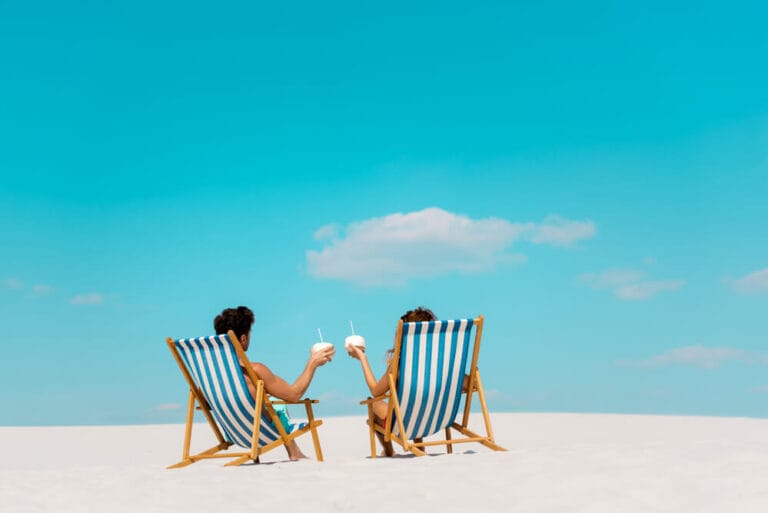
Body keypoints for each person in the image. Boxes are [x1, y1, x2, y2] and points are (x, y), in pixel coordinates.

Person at [213, 306, 335, 461]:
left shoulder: (213, 375)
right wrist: (312, 363)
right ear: (243, 338)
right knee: (278, 405)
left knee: (267, 400)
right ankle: (294, 452)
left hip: (234, 432)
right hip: (260, 430)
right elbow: (294, 395)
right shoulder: (255, 370)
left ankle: (293, 452)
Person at [346, 306, 437, 457]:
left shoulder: (402, 363)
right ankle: (419, 444)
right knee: (418, 401)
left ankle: (388, 450)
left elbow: (376, 391)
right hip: (433, 417)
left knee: (375, 403)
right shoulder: (442, 362)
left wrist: (362, 358)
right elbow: (467, 384)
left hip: (405, 423)